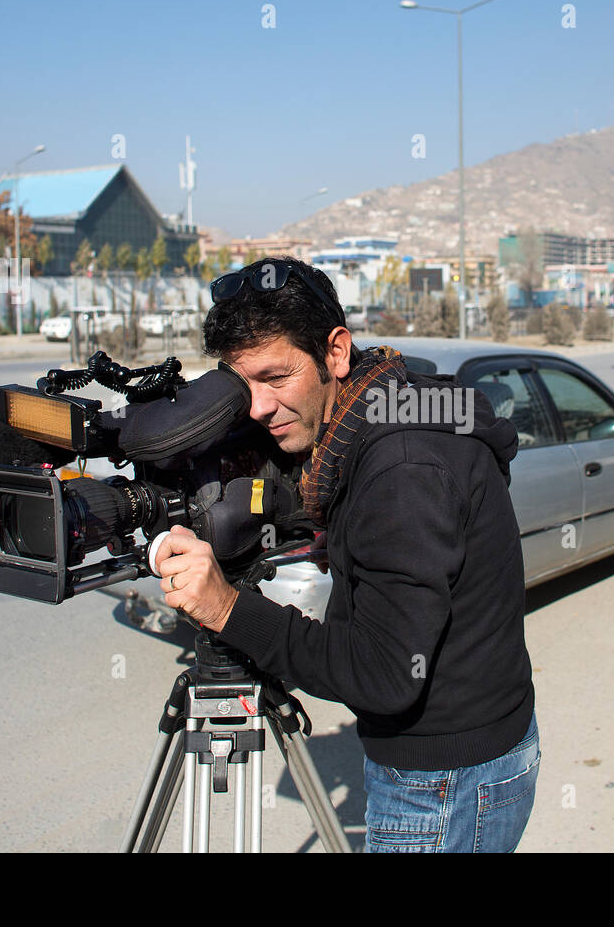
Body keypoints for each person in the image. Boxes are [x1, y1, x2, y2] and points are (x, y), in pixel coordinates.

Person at [152, 257, 539, 853]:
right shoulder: (387, 406)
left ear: (336, 352)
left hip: (446, 784)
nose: (257, 408)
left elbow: (385, 675)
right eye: (241, 383)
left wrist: (228, 609)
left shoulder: (404, 468)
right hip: (472, 754)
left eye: (275, 378)